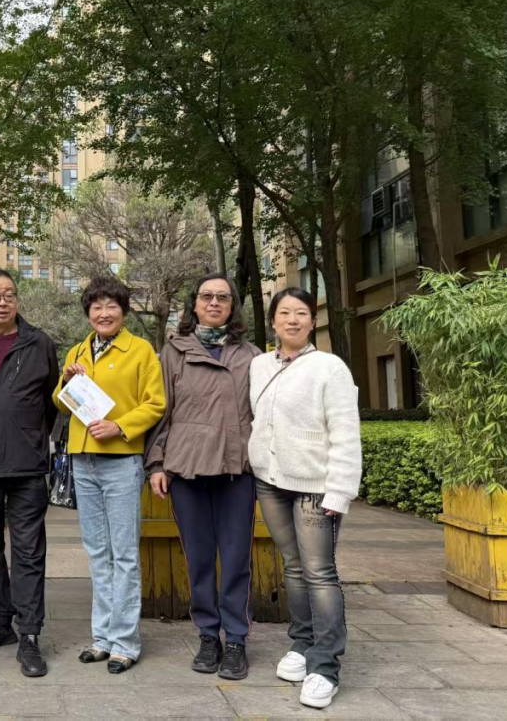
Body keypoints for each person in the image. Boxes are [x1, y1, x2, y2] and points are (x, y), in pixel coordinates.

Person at [248, 287, 361, 710]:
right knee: (293, 567)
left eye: (301, 313)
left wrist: (340, 490)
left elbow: (346, 433)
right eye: (284, 313)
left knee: (319, 572)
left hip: (315, 485)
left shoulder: (330, 367)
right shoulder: (259, 365)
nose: (292, 320)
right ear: (273, 321)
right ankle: (302, 642)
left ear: (313, 321)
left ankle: (325, 666)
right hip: (270, 480)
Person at [145, 273, 262, 680]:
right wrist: (156, 464)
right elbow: (161, 411)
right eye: (206, 296)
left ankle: (237, 639)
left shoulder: (252, 355)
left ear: (232, 306)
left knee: (236, 558)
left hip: (236, 469)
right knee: (198, 559)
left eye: (222, 298)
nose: (214, 303)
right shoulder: (173, 351)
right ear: (194, 304)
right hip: (187, 467)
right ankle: (208, 635)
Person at [53, 276, 166, 674]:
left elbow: (156, 403)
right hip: (83, 461)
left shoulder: (141, 350)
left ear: (124, 310)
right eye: (96, 306)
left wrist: (119, 426)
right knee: (97, 553)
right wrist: (66, 381)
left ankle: (125, 643)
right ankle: (101, 638)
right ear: (88, 312)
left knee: (124, 555)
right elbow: (61, 404)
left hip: (121, 461)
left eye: (111, 306)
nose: (103, 313)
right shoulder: (78, 350)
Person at [0, 268, 59, 678]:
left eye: (9, 294)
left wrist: (36, 439)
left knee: (28, 552)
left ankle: (30, 633)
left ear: (17, 300)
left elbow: (54, 400)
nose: (2, 302)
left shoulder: (39, 343)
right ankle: (0, 620)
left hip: (27, 467)